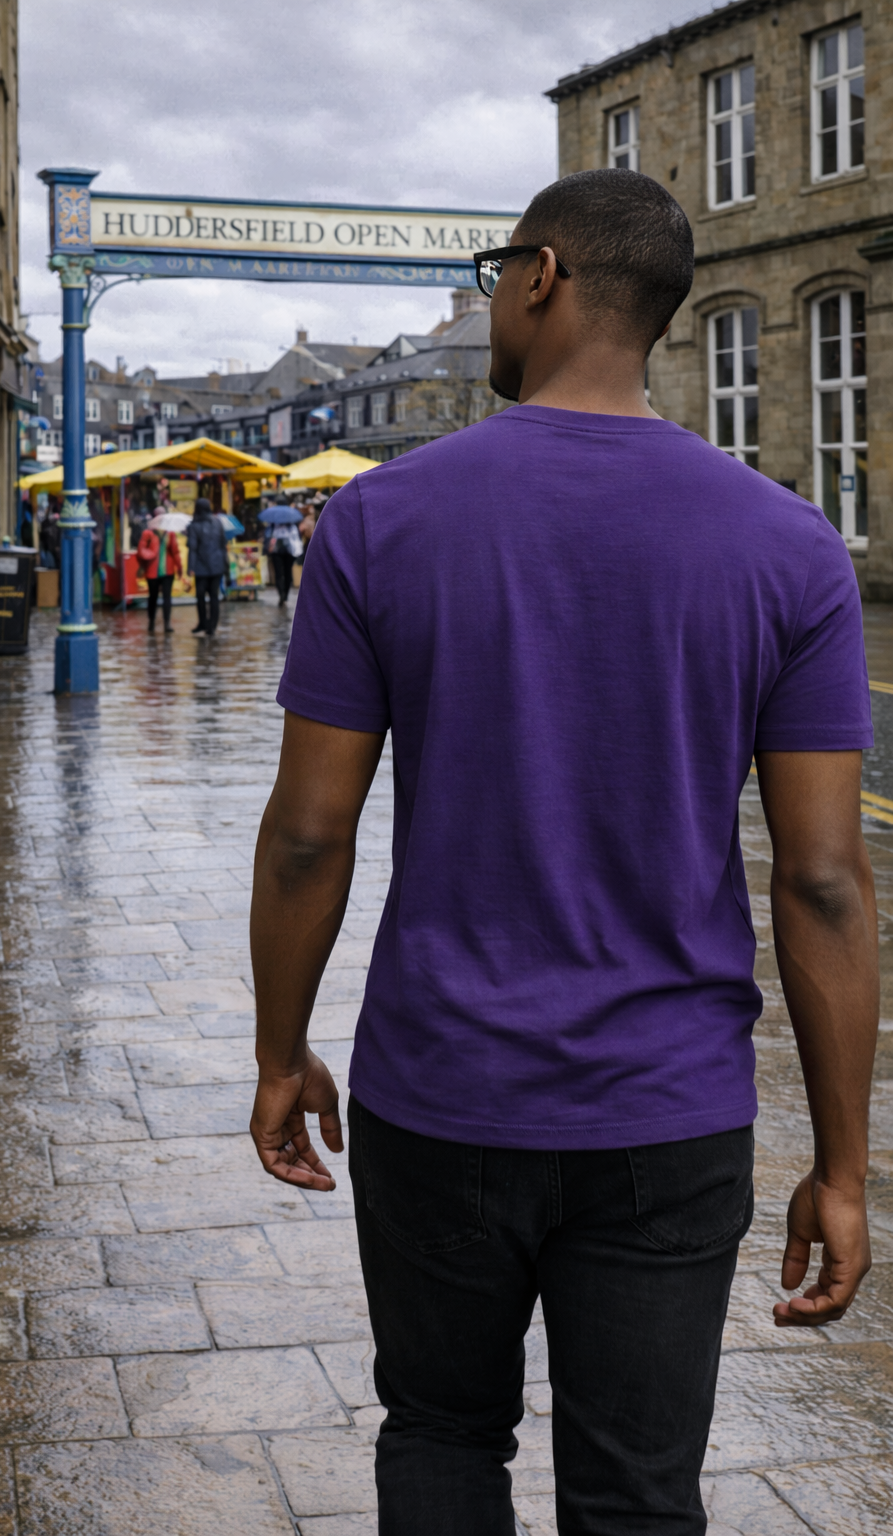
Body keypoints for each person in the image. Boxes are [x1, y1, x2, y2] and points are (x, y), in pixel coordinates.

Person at [248, 169, 877, 1536]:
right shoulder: (791, 548)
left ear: (540, 277)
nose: (490, 304)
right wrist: (841, 1164)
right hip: (670, 1108)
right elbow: (824, 878)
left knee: (441, 1437)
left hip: (440, 1089)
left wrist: (281, 1049)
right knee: (640, 1495)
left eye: (494, 276)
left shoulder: (380, 523)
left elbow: (309, 834)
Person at [187, 496, 228, 635]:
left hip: (201, 566)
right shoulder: (218, 522)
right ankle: (212, 625)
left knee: (200, 596)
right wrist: (225, 564)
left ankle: (203, 622)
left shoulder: (194, 525)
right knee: (214, 596)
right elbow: (223, 545)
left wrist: (190, 568)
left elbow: (192, 548)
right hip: (217, 565)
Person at [137, 516, 181, 634]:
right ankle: (151, 621)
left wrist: (179, 567)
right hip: (152, 571)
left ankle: (167, 623)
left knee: (167, 597)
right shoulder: (148, 533)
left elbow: (175, 551)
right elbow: (141, 550)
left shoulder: (170, 534)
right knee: (153, 597)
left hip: (168, 571)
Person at [263, 504, 303, 605]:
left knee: (280, 573)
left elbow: (267, 535)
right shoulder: (291, 521)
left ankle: (283, 595)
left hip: (282, 550)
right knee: (285, 572)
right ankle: (283, 595)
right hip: (284, 550)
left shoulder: (273, 522)